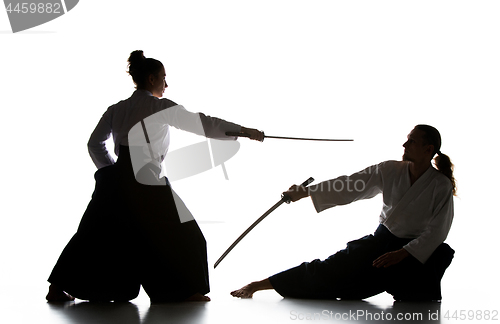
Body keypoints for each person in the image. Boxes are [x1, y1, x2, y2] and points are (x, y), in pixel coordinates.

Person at [46, 50, 264, 303]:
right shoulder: (159, 106)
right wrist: (244, 131)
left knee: (94, 233)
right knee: (184, 233)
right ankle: (184, 291)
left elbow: (95, 144)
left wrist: (110, 171)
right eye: (163, 77)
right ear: (151, 79)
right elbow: (202, 123)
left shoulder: (117, 109)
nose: (166, 84)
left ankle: (57, 289)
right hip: (145, 178)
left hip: (116, 180)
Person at [231, 125, 455, 301]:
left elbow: (438, 231)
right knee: (330, 272)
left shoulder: (440, 185)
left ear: (429, 150)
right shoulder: (390, 169)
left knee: (419, 292)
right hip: (381, 243)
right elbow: (351, 185)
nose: (405, 144)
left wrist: (403, 253)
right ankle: (258, 285)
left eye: (412, 141)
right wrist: (306, 192)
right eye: (407, 138)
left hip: (411, 254)